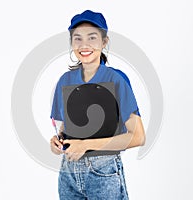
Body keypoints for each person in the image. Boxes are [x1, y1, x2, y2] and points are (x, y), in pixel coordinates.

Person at [50, 10, 145, 200]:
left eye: (92, 38)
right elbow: (65, 129)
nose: (84, 45)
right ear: (71, 43)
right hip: (68, 173)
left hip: (103, 172)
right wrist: (57, 142)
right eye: (77, 39)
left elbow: (137, 137)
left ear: (104, 42)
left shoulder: (116, 79)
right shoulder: (65, 81)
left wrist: (85, 145)